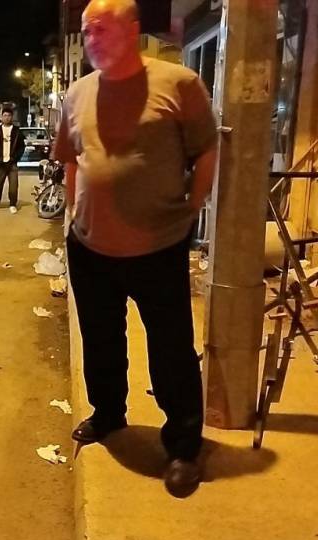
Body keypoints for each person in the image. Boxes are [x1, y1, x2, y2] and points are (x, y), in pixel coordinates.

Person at [53, 0, 218, 498]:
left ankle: (183, 446)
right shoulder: (77, 93)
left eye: (101, 29)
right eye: (87, 31)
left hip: (158, 246)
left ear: (132, 29)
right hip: (90, 247)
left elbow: (207, 149)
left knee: (170, 349)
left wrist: (192, 206)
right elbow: (71, 159)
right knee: (100, 340)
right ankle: (108, 414)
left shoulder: (178, 84)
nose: (91, 39)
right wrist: (74, 215)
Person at [0, 105, 26, 214]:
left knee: (13, 186)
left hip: (12, 163)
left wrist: (16, 158)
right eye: (5, 115)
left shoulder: (17, 131)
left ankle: (12, 204)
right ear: (1, 117)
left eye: (9, 115)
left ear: (12, 117)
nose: (7, 118)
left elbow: (22, 147)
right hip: (1, 162)